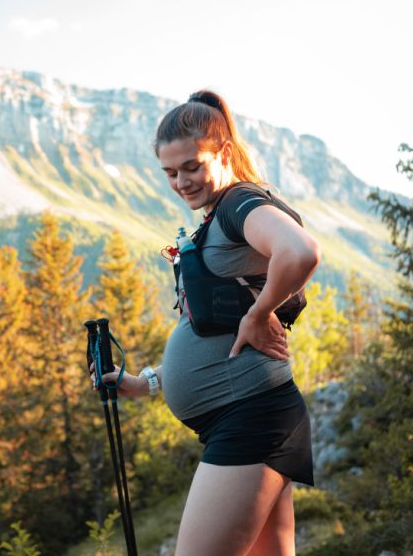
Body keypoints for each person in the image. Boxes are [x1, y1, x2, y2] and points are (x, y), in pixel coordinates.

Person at [91, 89, 320, 556]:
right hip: (256, 415)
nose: (181, 181)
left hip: (249, 421)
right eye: (170, 172)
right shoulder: (220, 214)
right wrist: (150, 383)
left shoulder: (240, 205)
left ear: (225, 154)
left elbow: (300, 252)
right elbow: (213, 325)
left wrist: (259, 315)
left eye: (192, 166)